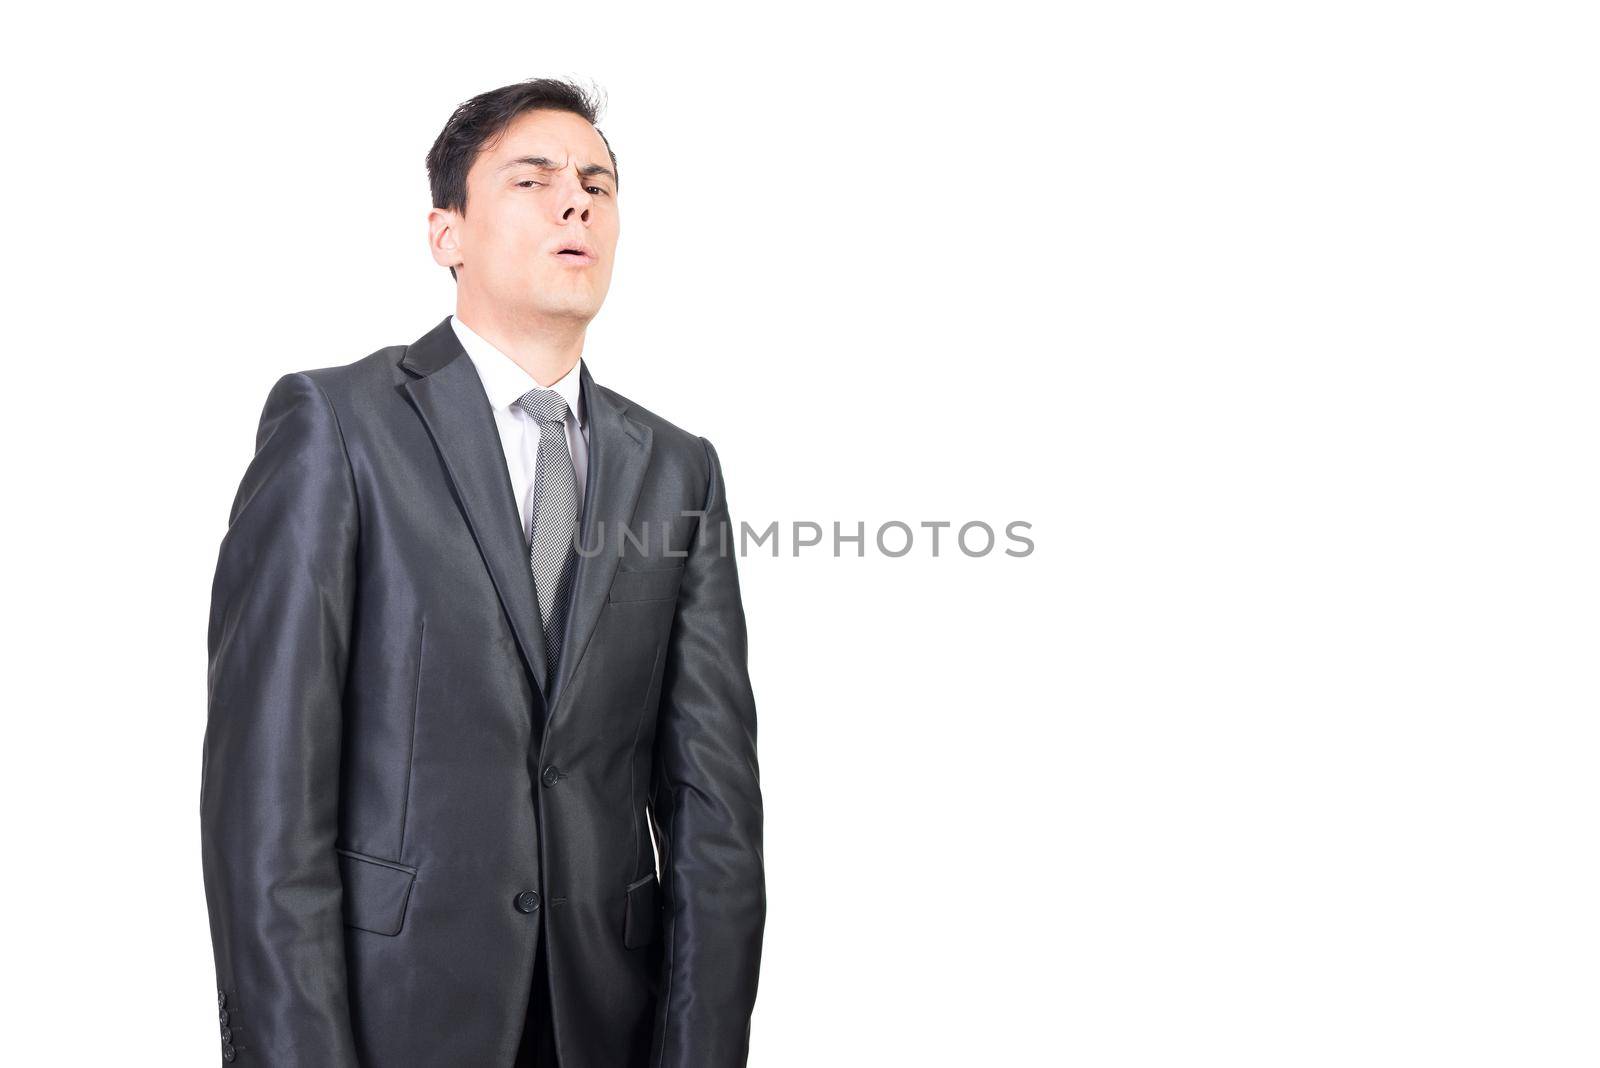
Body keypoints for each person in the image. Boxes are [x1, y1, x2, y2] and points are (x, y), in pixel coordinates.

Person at [199, 77, 766, 1067]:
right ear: (445, 233)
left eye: (598, 183)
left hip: (606, 1023)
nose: (576, 201)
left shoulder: (677, 469)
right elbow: (266, 804)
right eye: (532, 180)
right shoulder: (337, 428)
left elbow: (715, 809)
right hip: (386, 1020)